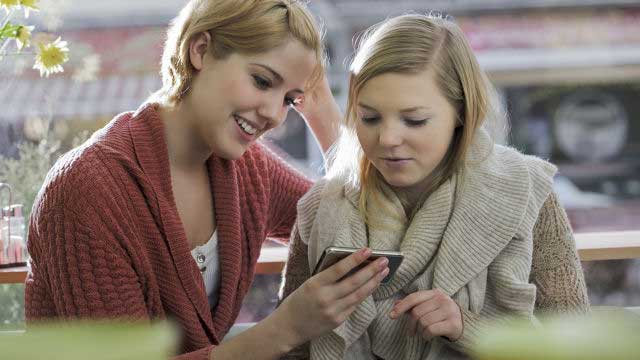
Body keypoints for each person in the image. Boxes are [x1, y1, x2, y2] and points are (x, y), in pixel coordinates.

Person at [24, 1, 390, 359]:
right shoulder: (88, 191)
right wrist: (285, 329)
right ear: (201, 50)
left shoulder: (248, 170)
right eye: (262, 81)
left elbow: (353, 218)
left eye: (289, 100)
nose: (274, 116)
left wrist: (321, 105)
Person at [279, 13, 589, 359]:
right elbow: (291, 348)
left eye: (414, 120)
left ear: (461, 113)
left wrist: (467, 327)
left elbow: (576, 343)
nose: (388, 138)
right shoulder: (325, 206)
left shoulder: (526, 192)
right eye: (369, 117)